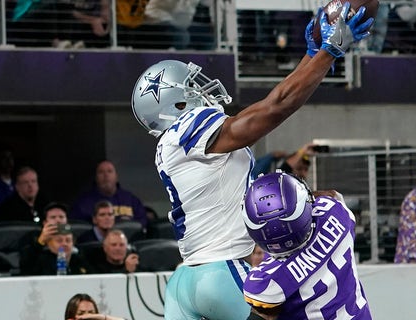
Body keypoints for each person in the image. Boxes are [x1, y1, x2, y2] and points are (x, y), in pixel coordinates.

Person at [130, 3, 374, 319]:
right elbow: (275, 109)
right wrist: (330, 52)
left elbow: (264, 106)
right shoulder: (186, 129)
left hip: (185, 280)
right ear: (173, 101)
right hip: (222, 272)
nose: (201, 90)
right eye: (190, 87)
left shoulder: (175, 143)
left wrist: (311, 57)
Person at [241, 171, 371, 319]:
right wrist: (296, 194)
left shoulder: (266, 281)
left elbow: (264, 314)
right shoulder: (335, 212)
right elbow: (329, 196)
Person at [19, 202, 92, 275]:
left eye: (61, 217)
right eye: (53, 217)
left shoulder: (73, 236)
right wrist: (40, 241)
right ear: (44, 222)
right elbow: (26, 265)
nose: (58, 220)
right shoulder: (32, 237)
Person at [71, 160, 148, 228]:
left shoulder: (130, 199)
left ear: (116, 177)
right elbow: (79, 227)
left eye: (109, 171)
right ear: (96, 178)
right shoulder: (84, 202)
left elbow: (143, 222)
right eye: (101, 172)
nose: (106, 175)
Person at [251, 142, 320, 179]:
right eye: (299, 169)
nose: (303, 174)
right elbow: (286, 168)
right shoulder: (279, 181)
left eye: (306, 170)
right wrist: (302, 151)